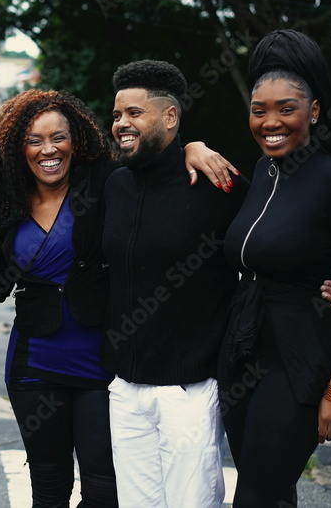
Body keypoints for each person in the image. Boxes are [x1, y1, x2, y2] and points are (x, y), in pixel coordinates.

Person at [0, 89, 235, 507]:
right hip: (34, 361)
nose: (48, 150)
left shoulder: (105, 182)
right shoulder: (5, 197)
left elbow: (152, 165)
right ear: (18, 147)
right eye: (34, 140)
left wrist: (192, 147)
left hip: (100, 359)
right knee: (49, 487)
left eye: (58, 137)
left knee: (104, 489)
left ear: (76, 139)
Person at [220, 29, 331, 507]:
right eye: (258, 109)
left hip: (299, 360)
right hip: (242, 352)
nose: (271, 122)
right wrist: (193, 148)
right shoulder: (262, 173)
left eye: (286, 109)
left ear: (313, 111)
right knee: (273, 494)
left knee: (254, 498)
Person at [101, 60, 249, 507]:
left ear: (170, 117)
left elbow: (272, 237)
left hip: (189, 391)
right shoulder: (115, 186)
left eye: (133, 113)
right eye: (116, 114)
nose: (121, 123)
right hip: (126, 389)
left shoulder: (216, 185)